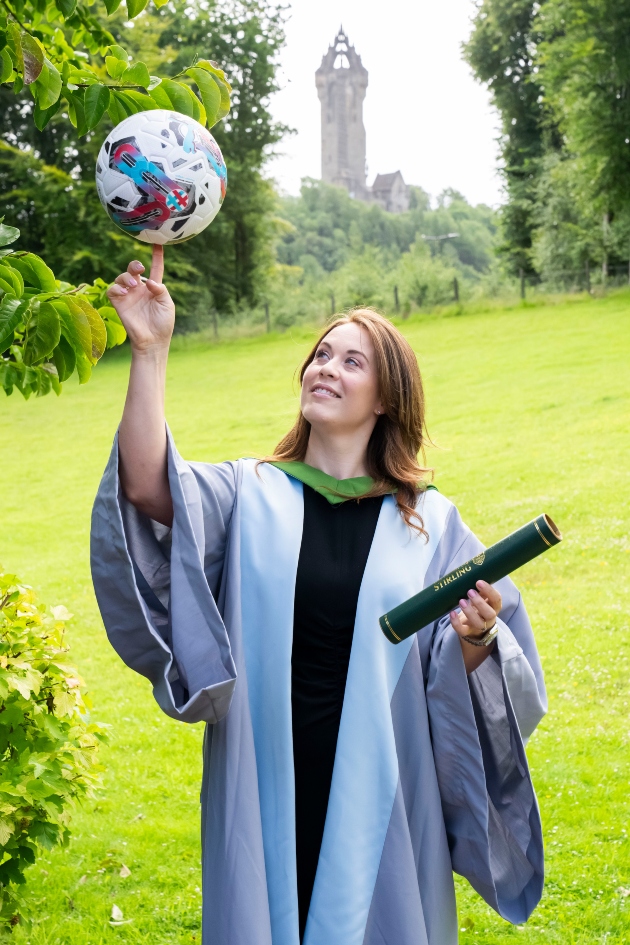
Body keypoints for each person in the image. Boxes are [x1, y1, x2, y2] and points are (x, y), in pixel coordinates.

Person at [91, 246, 547, 945]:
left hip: (383, 788)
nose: (325, 368)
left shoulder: (433, 528)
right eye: (320, 354)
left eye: (350, 361)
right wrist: (150, 350)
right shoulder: (250, 492)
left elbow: (490, 676)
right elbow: (150, 487)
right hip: (264, 769)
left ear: (387, 396)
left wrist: (479, 638)